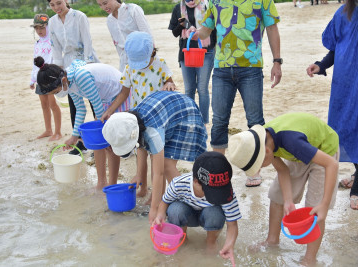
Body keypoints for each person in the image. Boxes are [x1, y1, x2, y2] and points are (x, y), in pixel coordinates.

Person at [188, 0, 282, 187]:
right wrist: (195, 33)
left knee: (255, 120)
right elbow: (207, 29)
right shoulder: (215, 1)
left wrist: (277, 61)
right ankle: (217, 169)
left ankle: (254, 170)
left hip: (251, 67)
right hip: (222, 68)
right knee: (219, 121)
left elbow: (272, 28)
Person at [227, 112, 339, 266]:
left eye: (258, 166)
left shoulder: (290, 141)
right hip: (299, 153)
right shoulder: (261, 140)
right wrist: (288, 200)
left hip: (323, 151)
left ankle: (309, 258)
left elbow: (331, 164)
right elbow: (283, 171)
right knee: (277, 194)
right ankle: (272, 240)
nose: (259, 170)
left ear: (266, 153)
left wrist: (325, 204)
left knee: (315, 208)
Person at [102, 91, 208, 224]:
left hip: (185, 113)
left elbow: (159, 173)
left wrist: (155, 208)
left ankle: (190, 203)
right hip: (168, 112)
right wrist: (139, 175)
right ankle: (176, 202)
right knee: (162, 162)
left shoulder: (152, 132)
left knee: (166, 165)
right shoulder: (130, 120)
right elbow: (141, 145)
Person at [34, 57, 130, 190]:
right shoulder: (69, 83)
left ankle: (112, 185)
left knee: (109, 144)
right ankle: (101, 183)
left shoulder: (81, 77)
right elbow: (80, 109)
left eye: (56, 92)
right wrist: (74, 136)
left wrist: (101, 132)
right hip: (104, 99)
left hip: (118, 93)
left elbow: (97, 108)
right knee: (98, 144)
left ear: (62, 81)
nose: (57, 94)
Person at [101, 31, 177, 197]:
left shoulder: (160, 64)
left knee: (155, 156)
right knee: (140, 152)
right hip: (137, 118)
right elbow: (123, 93)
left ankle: (155, 195)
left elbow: (170, 83)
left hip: (158, 117)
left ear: (152, 51)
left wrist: (170, 85)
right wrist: (109, 111)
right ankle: (142, 188)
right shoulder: (129, 68)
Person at [306, 0, 358, 210]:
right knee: (346, 129)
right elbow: (336, 49)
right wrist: (320, 65)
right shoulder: (344, 12)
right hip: (345, 85)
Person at [153, 151, 240, 264]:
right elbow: (164, 202)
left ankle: (211, 242)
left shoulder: (226, 192)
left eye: (219, 192)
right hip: (186, 214)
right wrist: (160, 216)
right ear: (195, 182)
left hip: (211, 216)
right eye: (212, 192)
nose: (217, 195)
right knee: (175, 209)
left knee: (215, 213)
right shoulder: (179, 184)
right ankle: (182, 239)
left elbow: (232, 224)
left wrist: (230, 244)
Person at [47, 0, 99, 155]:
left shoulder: (79, 16)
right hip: (67, 61)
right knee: (74, 102)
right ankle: (79, 141)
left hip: (85, 59)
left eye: (59, 3)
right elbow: (55, 47)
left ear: (66, 1)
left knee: (94, 100)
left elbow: (87, 41)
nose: (56, 7)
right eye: (52, 5)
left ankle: (100, 137)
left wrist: (88, 64)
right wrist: (59, 69)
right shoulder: (52, 22)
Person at [168, 0, 216, 125]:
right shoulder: (178, 8)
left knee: (202, 89)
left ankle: (203, 122)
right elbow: (174, 32)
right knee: (189, 89)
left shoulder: (208, 6)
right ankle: (190, 120)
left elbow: (214, 29)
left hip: (206, 52)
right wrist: (182, 25)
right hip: (187, 52)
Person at [29, 14, 62, 141]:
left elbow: (55, 60)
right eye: (36, 28)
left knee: (53, 104)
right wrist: (32, 79)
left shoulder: (52, 41)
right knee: (44, 105)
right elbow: (35, 63)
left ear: (48, 26)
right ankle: (48, 130)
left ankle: (58, 132)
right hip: (40, 78)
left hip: (50, 78)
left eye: (42, 28)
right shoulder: (37, 43)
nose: (39, 31)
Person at [96, 0, 152, 72]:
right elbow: (117, 45)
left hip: (142, 57)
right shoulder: (109, 20)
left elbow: (147, 35)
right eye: (100, 5)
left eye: (105, 3)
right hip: (125, 61)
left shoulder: (133, 10)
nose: (103, 8)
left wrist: (151, 58)